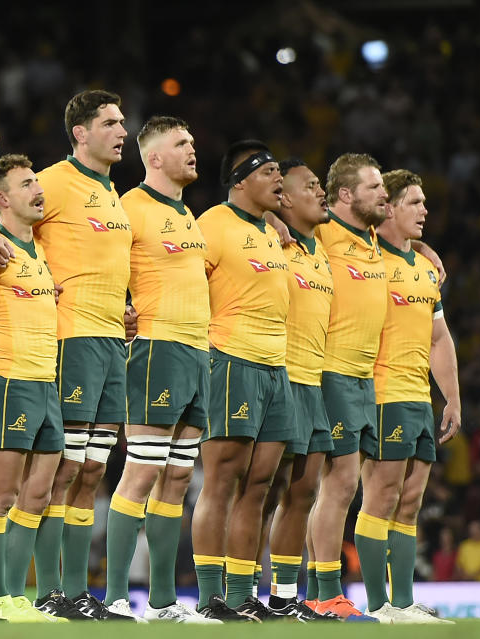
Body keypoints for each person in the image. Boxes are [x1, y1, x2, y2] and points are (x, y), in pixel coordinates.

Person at [101, 116, 215, 624]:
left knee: (176, 478)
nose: (193, 149)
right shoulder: (130, 208)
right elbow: (102, 266)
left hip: (197, 351)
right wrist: (119, 308)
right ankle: (116, 596)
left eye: (192, 141)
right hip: (156, 349)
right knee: (142, 471)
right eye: (181, 143)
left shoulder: (187, 214)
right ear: (154, 158)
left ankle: (166, 602)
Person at [31, 89, 132, 620]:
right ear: (81, 132)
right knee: (64, 468)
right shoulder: (51, 182)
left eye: (123, 123)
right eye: (111, 123)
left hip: (112, 340)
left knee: (92, 471)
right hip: (71, 338)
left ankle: (74, 591)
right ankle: (49, 591)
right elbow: (4, 219)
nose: (122, 132)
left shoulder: (111, 192)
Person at [191, 140, 291, 622]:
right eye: (270, 171)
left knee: (260, 486)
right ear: (241, 180)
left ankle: (241, 593)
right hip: (231, 359)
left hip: (277, 367)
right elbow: (183, 282)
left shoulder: (273, 232)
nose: (279, 179)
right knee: (222, 480)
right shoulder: (211, 224)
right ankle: (212, 596)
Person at [358, 169, 459, 624]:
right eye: (414, 202)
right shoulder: (369, 259)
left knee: (412, 499)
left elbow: (440, 338)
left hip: (420, 397)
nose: (424, 210)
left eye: (423, 202)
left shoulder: (424, 270)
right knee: (381, 495)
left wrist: (451, 398)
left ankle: (402, 603)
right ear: (390, 207)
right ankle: (378, 605)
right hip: (382, 392)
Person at [0, 153, 64, 622]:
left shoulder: (39, 249)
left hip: (46, 382)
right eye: (28, 183)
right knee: (1, 496)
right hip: (8, 380)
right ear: (2, 198)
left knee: (37, 498)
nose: (39, 189)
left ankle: (17, 596)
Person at [308, 153, 388, 621]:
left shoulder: (372, 236)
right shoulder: (321, 232)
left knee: (346, 486)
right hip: (331, 369)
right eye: (374, 187)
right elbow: (282, 214)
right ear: (345, 194)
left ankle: (327, 591)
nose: (383, 194)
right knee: (336, 486)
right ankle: (325, 592)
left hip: (364, 377)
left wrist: (425, 250)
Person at [261, 158, 335, 621]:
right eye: (311, 186)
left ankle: (285, 596)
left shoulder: (322, 247)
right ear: (284, 198)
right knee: (260, 492)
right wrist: (269, 218)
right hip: (275, 376)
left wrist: (422, 245)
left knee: (303, 493)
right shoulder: (270, 237)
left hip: (314, 382)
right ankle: (239, 591)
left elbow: (374, 225)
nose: (322, 191)